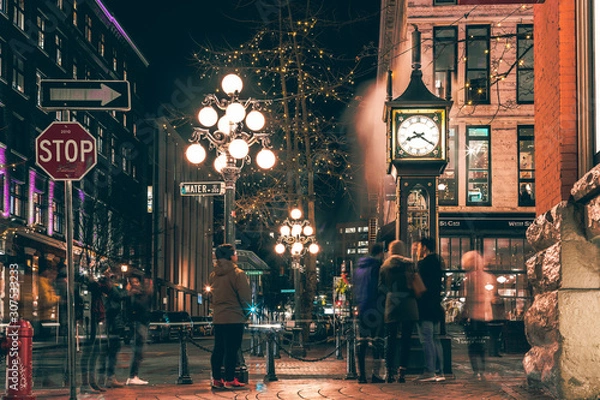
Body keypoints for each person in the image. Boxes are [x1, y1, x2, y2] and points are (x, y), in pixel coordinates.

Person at [209, 244, 252, 390]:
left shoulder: (213, 274)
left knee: (219, 348)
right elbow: (245, 296)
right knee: (232, 349)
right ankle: (229, 379)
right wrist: (246, 313)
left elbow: (210, 296)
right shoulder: (238, 273)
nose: (236, 255)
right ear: (230, 256)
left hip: (219, 317)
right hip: (234, 316)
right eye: (234, 253)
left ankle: (216, 379)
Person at [379, 240, 419, 383]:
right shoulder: (410, 264)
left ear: (391, 250)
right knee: (406, 339)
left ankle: (389, 372)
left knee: (390, 338)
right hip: (409, 303)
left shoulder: (385, 266)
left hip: (392, 303)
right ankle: (402, 372)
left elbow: (381, 286)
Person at [461, 250, 498, 380]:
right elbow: (492, 297)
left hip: (472, 315)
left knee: (472, 344)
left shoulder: (469, 278)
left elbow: (467, 298)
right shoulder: (489, 277)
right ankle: (482, 369)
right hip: (485, 315)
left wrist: (464, 312)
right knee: (482, 344)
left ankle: (476, 370)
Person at [353, 242, 386, 384]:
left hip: (361, 308)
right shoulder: (377, 267)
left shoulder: (359, 268)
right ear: (380, 253)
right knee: (377, 342)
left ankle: (361, 375)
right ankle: (376, 374)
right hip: (375, 307)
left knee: (362, 342)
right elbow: (378, 288)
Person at [415, 237, 446, 382]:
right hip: (435, 306)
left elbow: (420, 287)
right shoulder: (438, 262)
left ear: (425, 247)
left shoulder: (423, 264)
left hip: (425, 306)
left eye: (419, 246)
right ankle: (440, 371)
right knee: (435, 339)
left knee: (426, 339)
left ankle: (429, 370)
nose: (417, 249)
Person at [98, 266, 129, 388]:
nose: (111, 278)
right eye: (109, 275)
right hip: (110, 325)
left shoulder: (108, 290)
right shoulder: (106, 290)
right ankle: (108, 377)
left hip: (112, 325)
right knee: (109, 352)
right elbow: (113, 305)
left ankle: (106, 377)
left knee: (109, 352)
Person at [126, 270, 153, 385]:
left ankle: (134, 375)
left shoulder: (140, 294)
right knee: (138, 351)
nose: (137, 283)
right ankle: (133, 376)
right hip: (138, 324)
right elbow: (140, 307)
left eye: (137, 281)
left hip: (142, 323)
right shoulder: (133, 295)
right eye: (134, 282)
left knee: (140, 352)